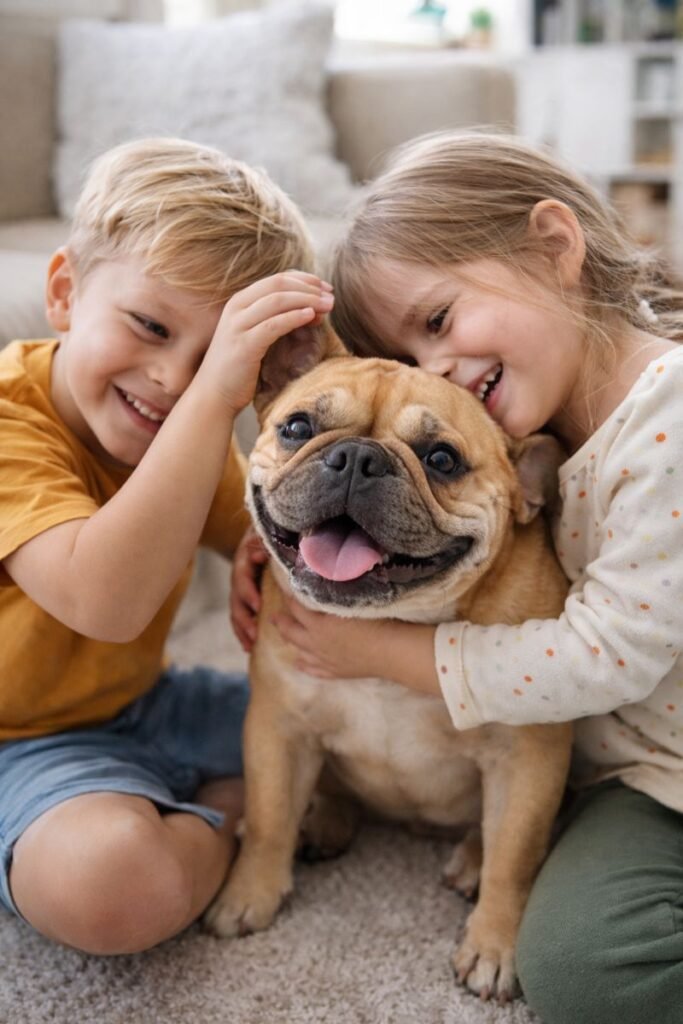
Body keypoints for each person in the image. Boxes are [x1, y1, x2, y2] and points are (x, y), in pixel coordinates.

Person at [232, 132, 683, 1023]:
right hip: (625, 776)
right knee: (579, 965)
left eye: (437, 321)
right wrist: (286, 532)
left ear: (554, 246)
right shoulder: (537, 403)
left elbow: (603, 656)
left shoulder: (663, 417)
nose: (438, 374)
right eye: (409, 358)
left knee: (589, 971)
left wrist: (380, 653)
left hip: (659, 763)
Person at [0, 136, 334, 955]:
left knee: (368, 737)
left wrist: (265, 554)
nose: (175, 381)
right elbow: (104, 602)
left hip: (147, 702)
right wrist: (218, 395)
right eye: (150, 326)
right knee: (110, 888)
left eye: (218, 358)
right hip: (15, 743)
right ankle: (232, 809)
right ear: (64, 291)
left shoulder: (185, 440)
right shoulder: (9, 426)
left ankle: (216, 790)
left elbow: (266, 534)